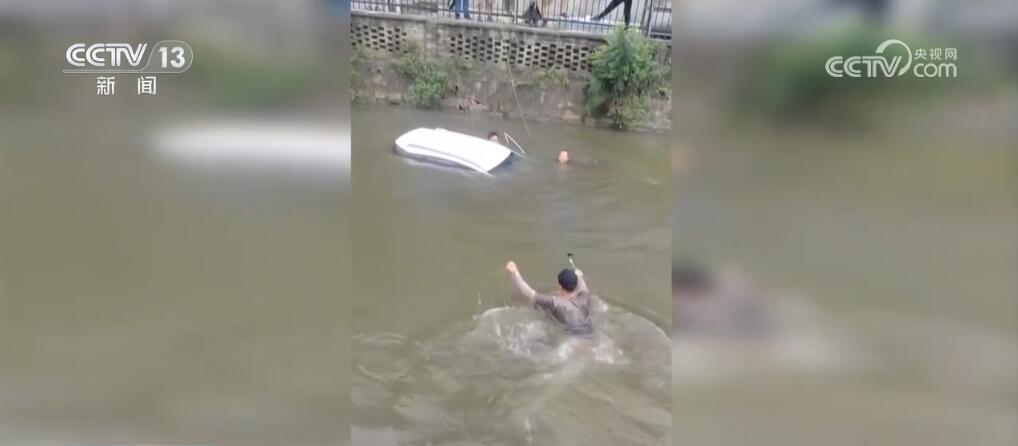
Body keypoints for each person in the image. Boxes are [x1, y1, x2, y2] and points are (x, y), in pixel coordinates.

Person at [505, 260, 593, 337]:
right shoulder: (584, 296)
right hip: (589, 332)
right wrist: (578, 274)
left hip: (571, 335)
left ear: (560, 286)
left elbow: (528, 292)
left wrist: (515, 271)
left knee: (536, 304)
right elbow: (581, 280)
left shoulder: (555, 303)